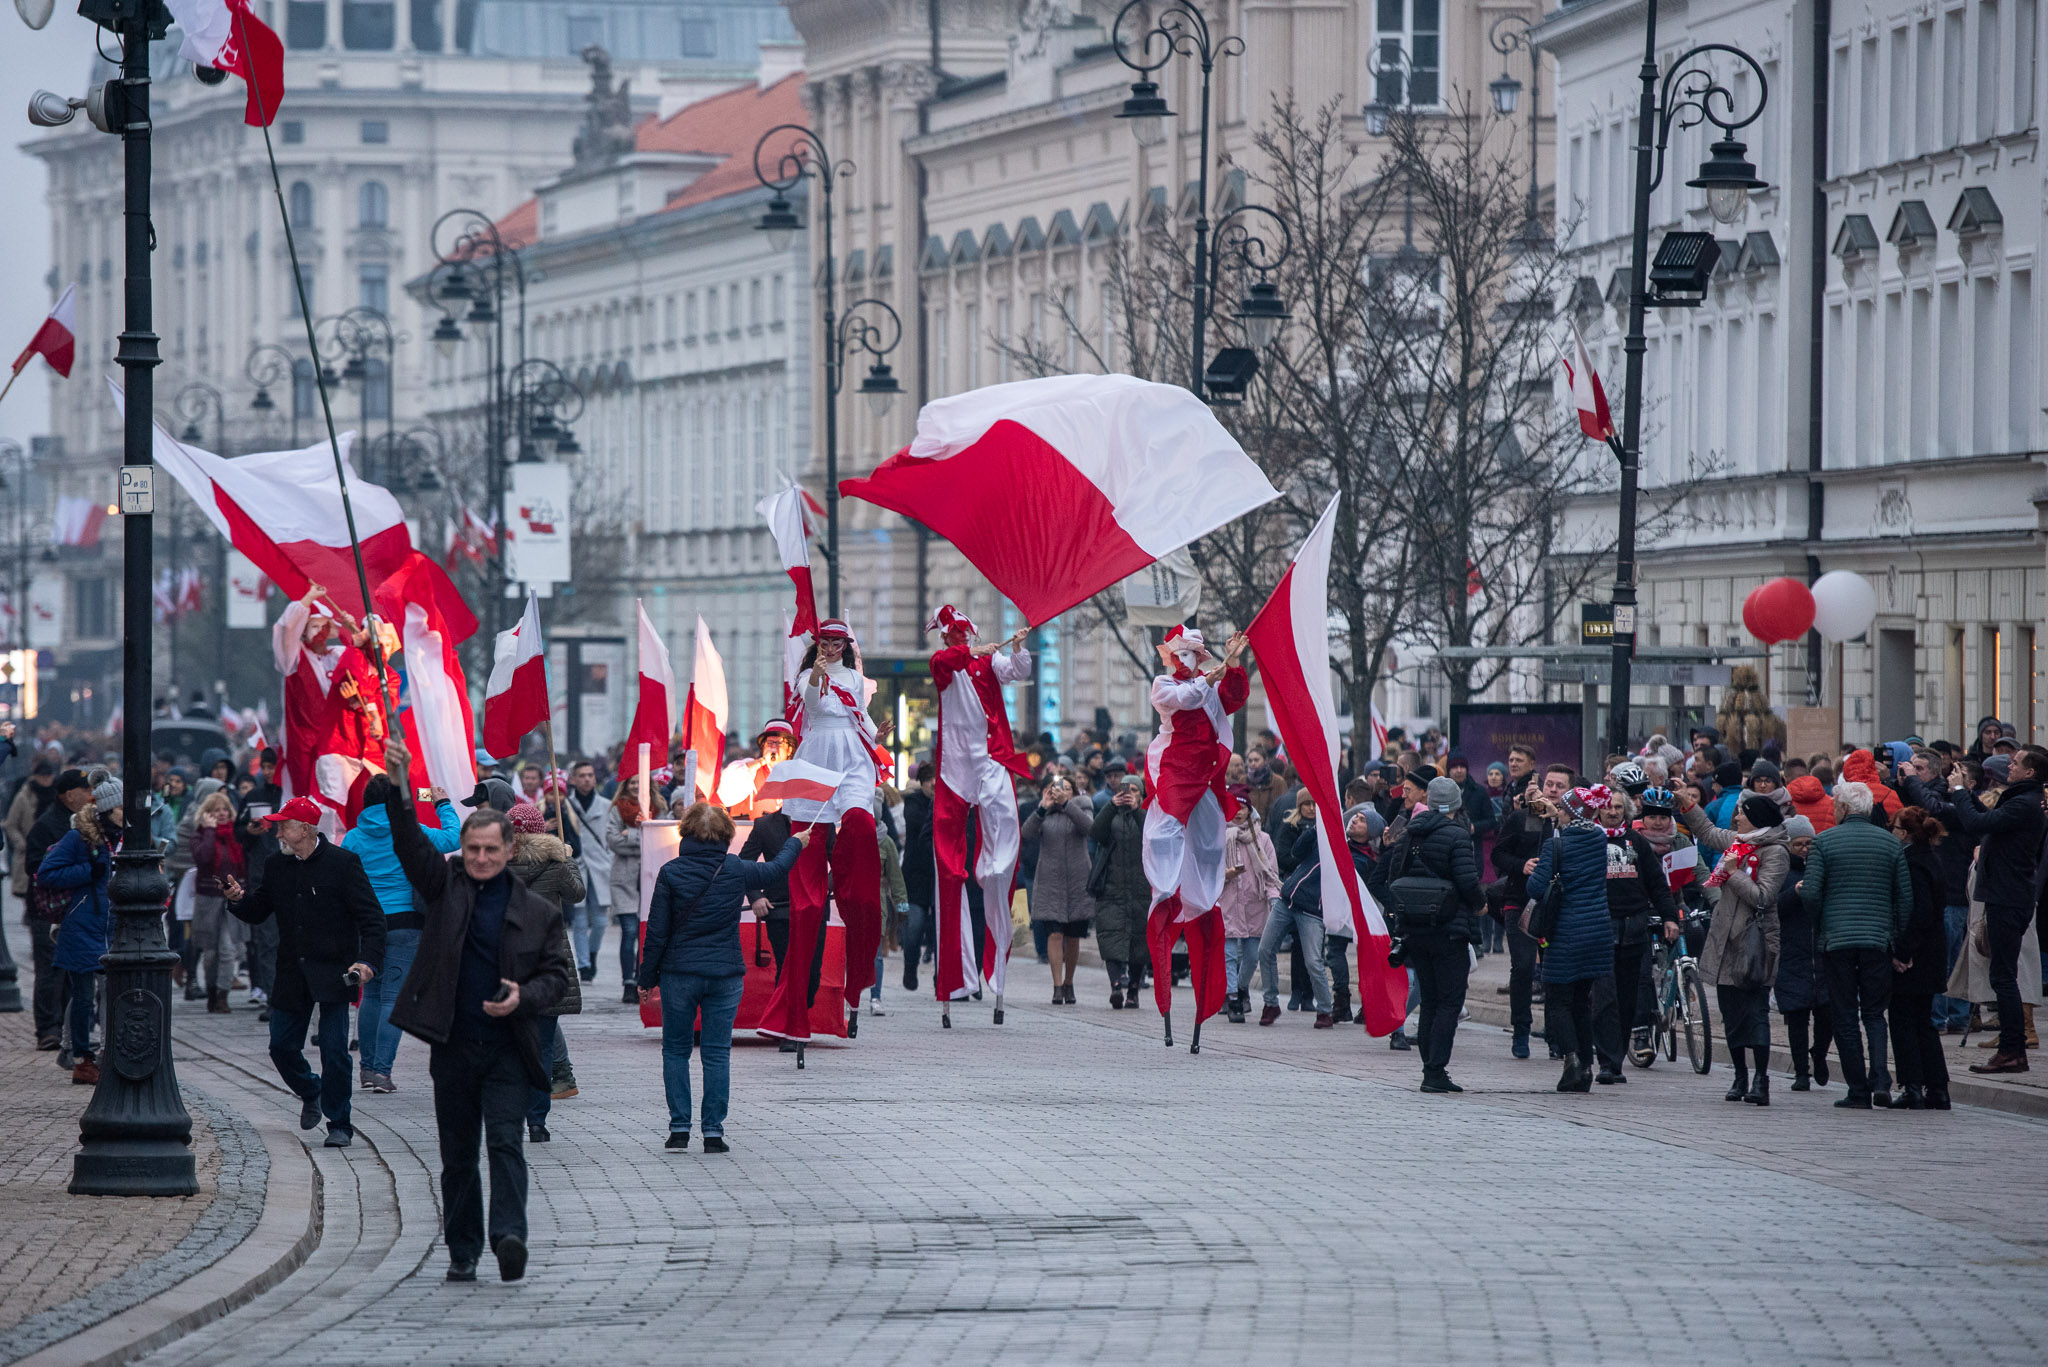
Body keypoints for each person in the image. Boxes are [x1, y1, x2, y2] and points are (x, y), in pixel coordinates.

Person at [378, 737, 574, 1284]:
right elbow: (409, 845)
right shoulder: (443, 889)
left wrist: (523, 998)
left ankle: (509, 1236)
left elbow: (556, 975)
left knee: (506, 1144)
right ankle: (462, 1250)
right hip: (455, 1045)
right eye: (473, 850)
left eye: (491, 850)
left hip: (510, 1046)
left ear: (511, 850)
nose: (482, 859)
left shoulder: (535, 911)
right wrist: (399, 786)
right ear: (462, 851)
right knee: (459, 1155)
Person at [638, 802, 807, 1150]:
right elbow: (775, 870)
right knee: (717, 1053)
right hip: (725, 973)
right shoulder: (735, 868)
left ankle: (679, 1129)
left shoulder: (671, 872)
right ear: (726, 835)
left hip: (679, 972)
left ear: (686, 833)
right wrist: (797, 842)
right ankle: (713, 1133)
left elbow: (656, 931)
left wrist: (646, 977)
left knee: (675, 1051)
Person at [222, 796, 385, 1148]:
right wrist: (237, 899)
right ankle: (312, 1090)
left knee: (334, 1051)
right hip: (292, 972)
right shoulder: (276, 865)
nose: (278, 830)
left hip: (335, 971)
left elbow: (372, 919)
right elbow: (259, 909)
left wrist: (368, 960)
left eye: (285, 824)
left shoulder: (343, 863)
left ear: (307, 829)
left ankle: (340, 1122)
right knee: (281, 1047)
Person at [761, 620, 889, 1047]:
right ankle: (792, 1014)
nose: (833, 647)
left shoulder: (856, 678)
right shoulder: (806, 676)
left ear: (846, 645)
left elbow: (862, 719)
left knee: (861, 820)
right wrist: (816, 669)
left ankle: (855, 882)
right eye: (826, 642)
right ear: (818, 645)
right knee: (807, 889)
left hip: (852, 756)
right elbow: (813, 703)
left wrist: (880, 735)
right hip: (818, 759)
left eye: (838, 642)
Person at [1141, 624, 1250, 1037]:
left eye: (1194, 653)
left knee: (1208, 845)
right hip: (1174, 771)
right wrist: (1210, 677)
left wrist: (1235, 663)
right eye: (1182, 652)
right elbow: (1184, 698)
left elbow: (1234, 698)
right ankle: (1166, 891)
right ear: (1171, 655)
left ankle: (1202, 899)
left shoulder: (1211, 687)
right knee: (1163, 834)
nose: (1187, 659)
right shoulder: (1163, 684)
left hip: (1206, 776)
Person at [926, 605, 1033, 1021]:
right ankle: (957, 976)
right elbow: (945, 663)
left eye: (966, 635)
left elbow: (1016, 670)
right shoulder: (947, 664)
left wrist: (1018, 648)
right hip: (957, 765)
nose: (963, 641)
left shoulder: (985, 661)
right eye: (958, 636)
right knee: (949, 866)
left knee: (1005, 834)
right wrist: (971, 654)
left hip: (992, 758)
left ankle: (995, 881)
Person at [1924, 748, 2045, 1074]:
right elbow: (1985, 824)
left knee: (2003, 978)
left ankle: (2012, 1051)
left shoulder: (2024, 804)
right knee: (2003, 975)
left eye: (2016, 762)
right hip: (2006, 895)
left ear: (2031, 772)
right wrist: (1965, 793)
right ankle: (2012, 1049)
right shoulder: (2020, 800)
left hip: (2008, 897)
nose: (2010, 765)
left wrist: (1962, 791)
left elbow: (1978, 822)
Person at [1798, 780, 1913, 1108]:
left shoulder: (1824, 842)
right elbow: (1904, 899)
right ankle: (1882, 1081)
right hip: (1877, 940)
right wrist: (1895, 936)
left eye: (1836, 805)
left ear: (1845, 809)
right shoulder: (1890, 844)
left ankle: (1858, 1090)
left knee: (1845, 1014)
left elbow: (1810, 892)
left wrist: (1820, 923)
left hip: (1837, 941)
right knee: (1875, 1013)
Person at [345, 776, 462, 1092]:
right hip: (404, 923)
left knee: (369, 995)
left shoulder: (353, 839)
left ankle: (367, 1070)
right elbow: (453, 838)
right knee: (391, 1000)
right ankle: (382, 1072)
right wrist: (442, 803)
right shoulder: (411, 834)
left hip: (365, 926)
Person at [1375, 776, 1485, 1092]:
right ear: (1456, 804)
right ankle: (1436, 1070)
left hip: (1415, 930)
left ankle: (1429, 1067)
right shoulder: (1457, 835)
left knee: (1431, 1001)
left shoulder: (1408, 833)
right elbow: (1467, 881)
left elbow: (1393, 877)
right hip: (1449, 929)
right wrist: (1479, 904)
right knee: (1449, 1002)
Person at [1680, 790, 1788, 1105]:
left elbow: (1764, 896)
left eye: (1742, 813)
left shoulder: (1775, 852)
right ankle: (1740, 1076)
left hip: (1754, 943)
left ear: (1756, 817)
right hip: (1725, 940)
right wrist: (1686, 804)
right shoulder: (1738, 842)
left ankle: (1761, 1079)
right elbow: (1707, 832)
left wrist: (1732, 872)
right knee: (1731, 1013)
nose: (1736, 817)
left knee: (1755, 1012)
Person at [1525, 785, 1618, 1092]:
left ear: (1572, 813)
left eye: (1562, 809)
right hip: (1598, 931)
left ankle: (1572, 1062)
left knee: (1558, 1003)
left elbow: (1536, 889)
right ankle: (1588, 1067)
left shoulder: (1556, 845)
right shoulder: (1599, 838)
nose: (1558, 812)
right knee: (1581, 1001)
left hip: (1566, 932)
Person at [506, 801, 585, 1137]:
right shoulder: (554, 863)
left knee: (508, 1047)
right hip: (548, 961)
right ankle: (537, 1120)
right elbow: (577, 894)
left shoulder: (497, 864)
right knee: (542, 1046)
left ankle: (509, 1114)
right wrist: (567, 859)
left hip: (507, 961)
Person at [43, 773, 123, 1085]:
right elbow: (47, 873)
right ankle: (81, 1058)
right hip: (81, 925)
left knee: (112, 994)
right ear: (105, 810)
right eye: (120, 809)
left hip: (110, 926)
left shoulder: (120, 838)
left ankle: (108, 1053)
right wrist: (88, 870)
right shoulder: (80, 837)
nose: (125, 814)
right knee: (83, 996)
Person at [1494, 762, 1574, 1060]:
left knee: (1555, 971)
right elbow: (1498, 854)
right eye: (1549, 784)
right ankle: (1521, 1030)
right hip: (1521, 901)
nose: (1552, 790)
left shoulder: (1573, 823)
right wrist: (1521, 865)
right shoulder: (1521, 818)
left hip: (1560, 906)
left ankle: (1556, 1036)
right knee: (1524, 966)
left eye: (1559, 786)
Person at [25, 769, 94, 1054]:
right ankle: (47, 1029)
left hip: (74, 909)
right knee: (49, 970)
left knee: (70, 971)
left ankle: (67, 1031)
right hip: (47, 911)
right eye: (83, 790)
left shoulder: (83, 824)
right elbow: (35, 867)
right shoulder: (47, 825)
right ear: (68, 795)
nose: (89, 795)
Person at [1888, 806, 1953, 1109]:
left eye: (1896, 828)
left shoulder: (1913, 862)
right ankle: (1937, 1088)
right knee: (1923, 1020)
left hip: (1917, 953)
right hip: (1932, 950)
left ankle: (1913, 1085)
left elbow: (1920, 911)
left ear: (1906, 833)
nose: (1892, 832)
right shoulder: (1931, 859)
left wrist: (1904, 951)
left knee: (1904, 1019)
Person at [1773, 816, 1835, 1091]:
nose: (1804, 849)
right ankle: (1801, 1072)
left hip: (1822, 954)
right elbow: (1771, 909)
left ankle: (1819, 1054)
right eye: (1798, 844)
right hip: (1791, 954)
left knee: (1827, 1014)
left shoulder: (1823, 868)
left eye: (1808, 843)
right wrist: (1794, 893)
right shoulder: (1780, 872)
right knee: (1797, 1018)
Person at [1024, 774, 1094, 1005]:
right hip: (1050, 881)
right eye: (1056, 788)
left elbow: (1089, 828)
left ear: (1073, 792)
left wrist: (1067, 805)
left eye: (1065, 788)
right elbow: (1026, 833)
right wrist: (1042, 808)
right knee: (1054, 934)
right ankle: (1056, 986)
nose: (1059, 791)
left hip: (1076, 881)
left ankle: (1069, 982)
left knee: (1073, 937)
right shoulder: (1044, 812)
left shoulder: (1083, 806)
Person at [1090, 774, 1151, 1008]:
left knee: (1139, 943)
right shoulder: (1111, 814)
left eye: (1135, 790)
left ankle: (1133, 989)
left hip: (1140, 889)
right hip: (1111, 889)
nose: (1130, 794)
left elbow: (1151, 836)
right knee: (1111, 939)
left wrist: (1136, 810)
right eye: (1127, 789)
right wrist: (1110, 806)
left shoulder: (1146, 817)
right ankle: (1116, 985)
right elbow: (1096, 832)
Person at [189, 790, 249, 1014]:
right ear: (206, 814)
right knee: (210, 952)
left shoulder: (236, 835)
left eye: (225, 809)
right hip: (208, 899)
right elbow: (203, 857)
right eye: (216, 810)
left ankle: (223, 995)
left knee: (226, 948)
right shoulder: (200, 836)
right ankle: (212, 992)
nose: (222, 813)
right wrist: (210, 831)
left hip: (231, 899)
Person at [606, 785, 667, 1001]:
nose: (635, 785)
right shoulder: (617, 809)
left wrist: (630, 834)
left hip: (651, 875)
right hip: (624, 878)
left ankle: (644, 977)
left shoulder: (659, 807)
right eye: (632, 782)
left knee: (647, 932)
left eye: (638, 781)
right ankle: (628, 982)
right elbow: (614, 842)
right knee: (629, 931)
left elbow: (661, 840)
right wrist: (641, 833)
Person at [1218, 803, 1277, 1024]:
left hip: (1255, 905)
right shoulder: (1219, 837)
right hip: (1228, 903)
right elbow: (1208, 872)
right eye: (1234, 807)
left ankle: (1241, 988)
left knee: (1253, 956)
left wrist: (1273, 898)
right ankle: (1233, 998)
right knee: (1229, 955)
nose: (1239, 812)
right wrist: (1227, 874)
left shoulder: (1263, 839)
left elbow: (1271, 873)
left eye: (1243, 807)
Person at [565, 760, 613, 983]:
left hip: (601, 865)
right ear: (573, 779)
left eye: (590, 775)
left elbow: (611, 834)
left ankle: (592, 955)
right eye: (582, 775)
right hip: (577, 866)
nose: (587, 779)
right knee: (579, 920)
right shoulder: (565, 804)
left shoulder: (606, 805)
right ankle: (583, 964)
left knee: (601, 920)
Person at [898, 762, 937, 992]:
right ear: (921, 783)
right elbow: (919, 824)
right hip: (916, 878)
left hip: (938, 877)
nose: (933, 784)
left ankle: (939, 977)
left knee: (940, 933)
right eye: (929, 780)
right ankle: (910, 966)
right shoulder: (913, 803)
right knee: (914, 928)